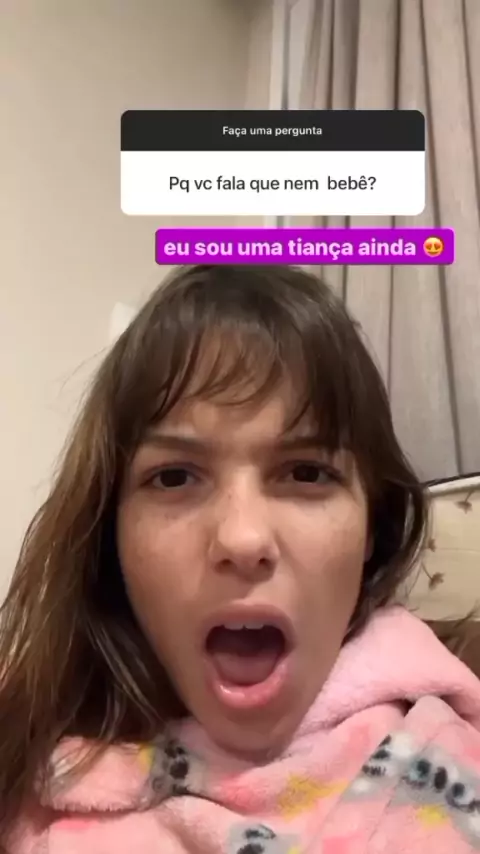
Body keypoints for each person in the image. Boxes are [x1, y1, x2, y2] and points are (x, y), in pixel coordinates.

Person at [2, 264, 480, 854]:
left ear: (371, 532)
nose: (243, 538)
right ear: (109, 534)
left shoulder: (447, 773)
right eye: (174, 477)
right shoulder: (23, 743)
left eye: (306, 472)